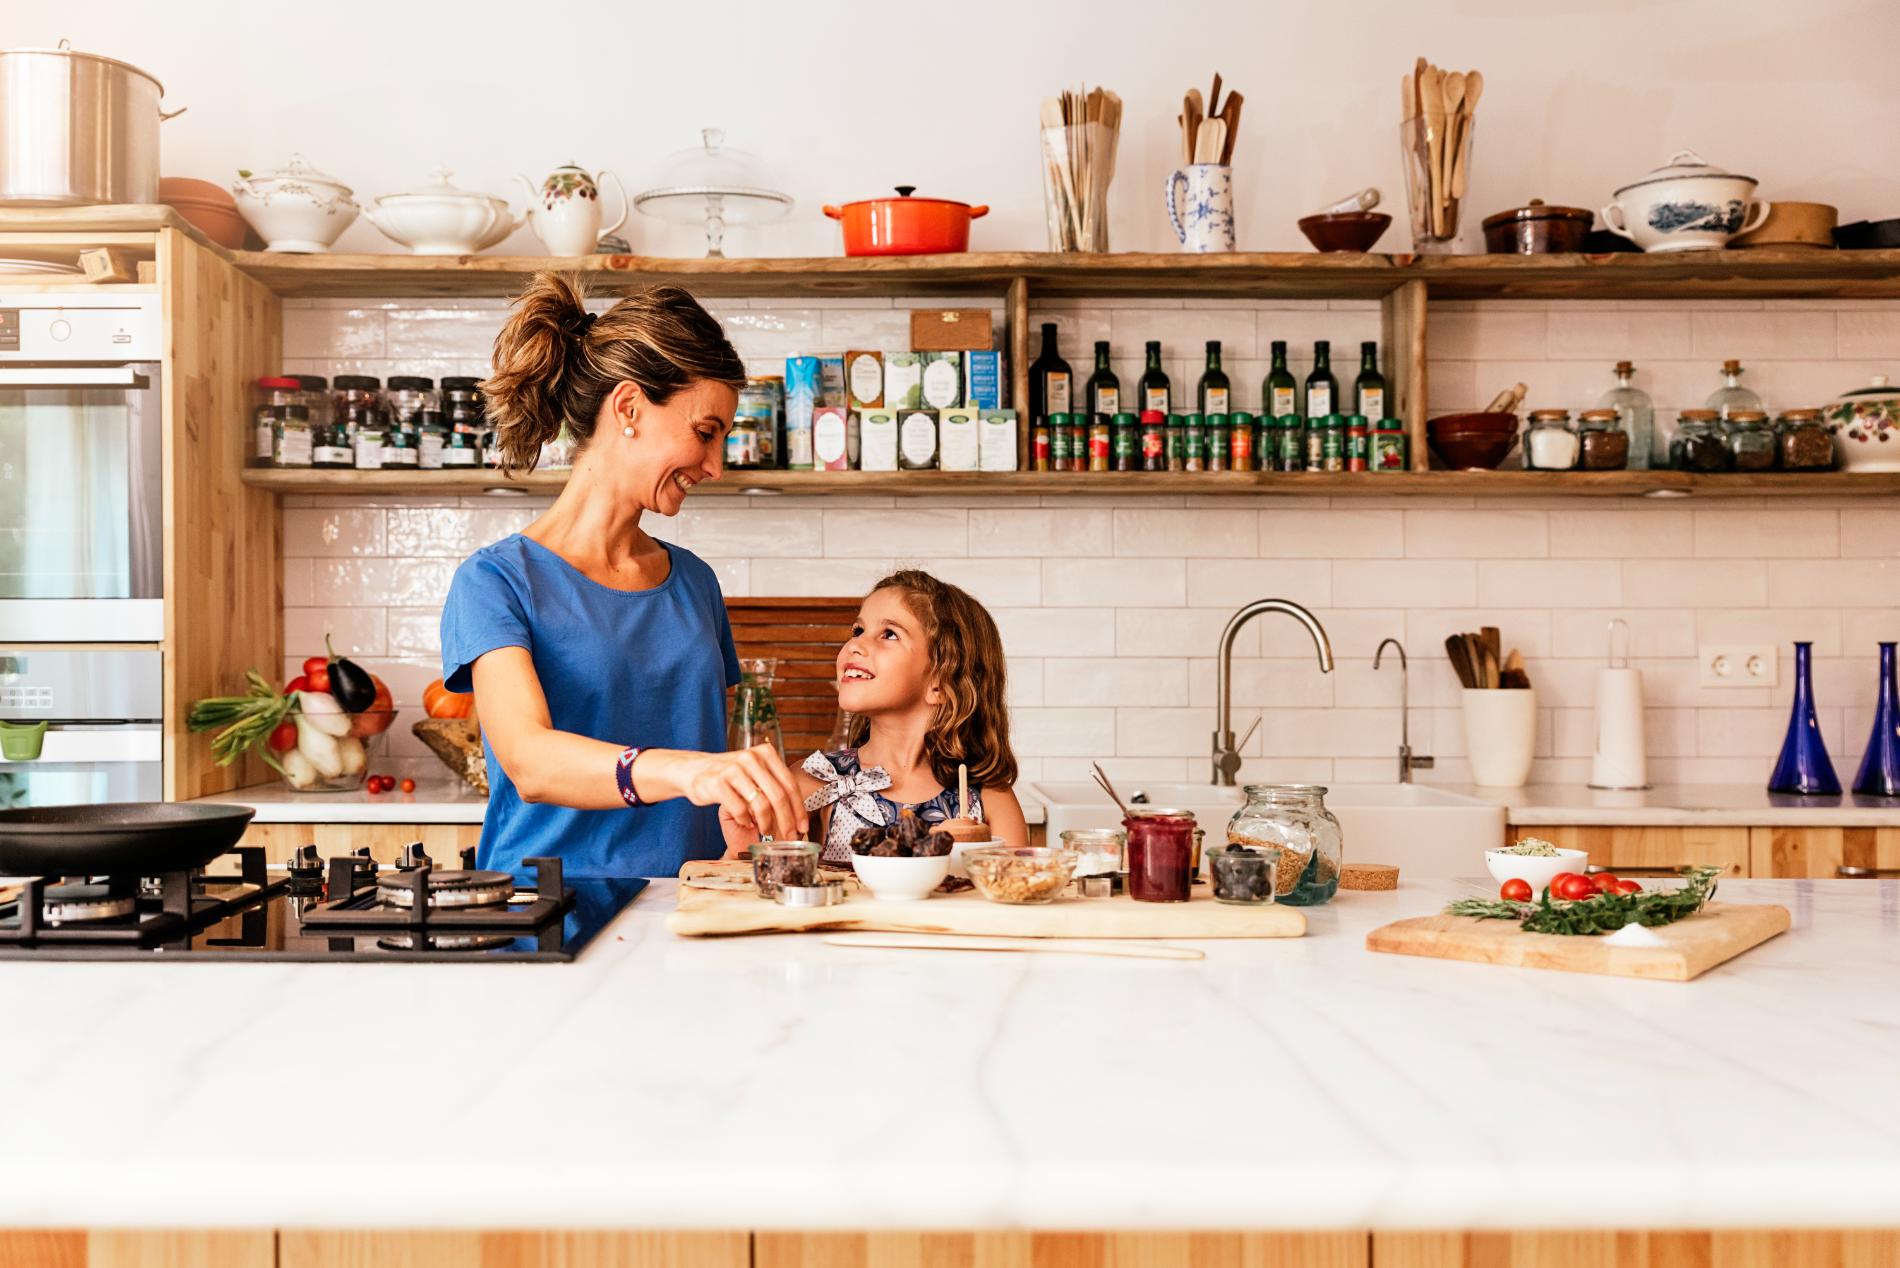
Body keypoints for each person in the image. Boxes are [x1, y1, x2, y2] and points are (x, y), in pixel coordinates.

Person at [439, 272, 805, 879]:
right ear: (629, 408)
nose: (714, 466)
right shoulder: (496, 582)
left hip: (690, 901)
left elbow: (716, 759)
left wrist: (742, 808)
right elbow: (529, 762)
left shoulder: (694, 583)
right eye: (705, 433)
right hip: (548, 912)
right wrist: (689, 771)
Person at [758, 569, 1027, 862]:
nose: (855, 645)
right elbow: (740, 891)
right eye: (858, 630)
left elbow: (1015, 900)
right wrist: (750, 844)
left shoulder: (988, 800)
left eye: (889, 634)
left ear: (941, 682)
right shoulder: (817, 781)